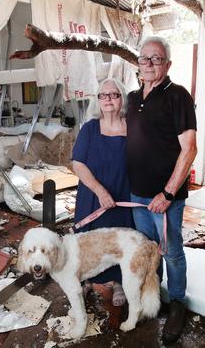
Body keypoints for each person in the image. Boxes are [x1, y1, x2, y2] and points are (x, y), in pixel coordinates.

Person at [126, 36, 197, 344]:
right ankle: (151, 297)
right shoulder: (131, 98)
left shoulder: (177, 96)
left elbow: (189, 149)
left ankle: (178, 303)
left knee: (171, 252)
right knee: (147, 250)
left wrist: (167, 194)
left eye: (156, 59)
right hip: (136, 195)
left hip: (164, 197)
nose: (150, 64)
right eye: (144, 59)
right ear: (138, 64)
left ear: (168, 64)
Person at [71, 78, 134, 307]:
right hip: (92, 194)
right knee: (90, 240)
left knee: (119, 239)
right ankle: (86, 279)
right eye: (103, 95)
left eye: (114, 94)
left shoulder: (132, 127)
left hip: (122, 192)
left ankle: (118, 282)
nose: (108, 99)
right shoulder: (89, 128)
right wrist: (99, 191)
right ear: (98, 100)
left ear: (122, 99)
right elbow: (78, 164)